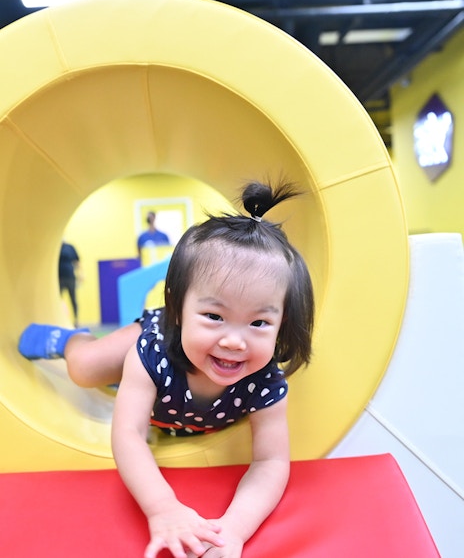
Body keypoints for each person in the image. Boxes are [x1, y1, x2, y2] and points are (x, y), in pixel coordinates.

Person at [18, 180, 315, 558]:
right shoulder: (151, 353)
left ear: (282, 321)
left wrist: (233, 531)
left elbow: (270, 461)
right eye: (213, 316)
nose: (235, 341)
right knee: (85, 369)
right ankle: (70, 340)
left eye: (258, 323)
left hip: (179, 374)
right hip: (162, 341)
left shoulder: (266, 382)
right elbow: (128, 435)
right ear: (178, 306)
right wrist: (162, 508)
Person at [58, 241, 81, 327]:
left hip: (70, 277)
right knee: (59, 300)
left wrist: (80, 274)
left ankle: (76, 320)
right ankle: (60, 319)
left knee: (73, 299)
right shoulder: (55, 246)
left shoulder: (70, 247)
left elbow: (77, 261)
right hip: (59, 278)